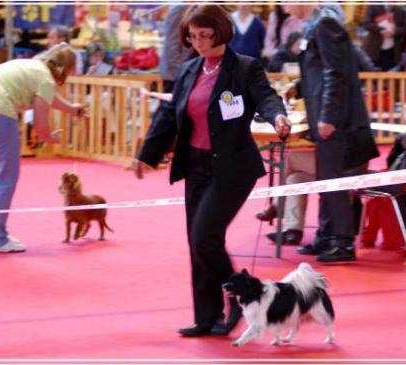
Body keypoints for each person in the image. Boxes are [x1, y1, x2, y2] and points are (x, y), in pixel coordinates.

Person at [132, 5, 291, 337]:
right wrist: (147, 155)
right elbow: (169, 114)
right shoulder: (190, 70)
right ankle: (206, 317)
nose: (198, 42)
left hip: (232, 168)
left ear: (220, 32)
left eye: (204, 35)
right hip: (196, 165)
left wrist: (277, 117)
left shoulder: (245, 67)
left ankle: (240, 295)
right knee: (198, 242)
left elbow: (267, 97)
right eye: (192, 36)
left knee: (204, 238)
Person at [283, 4, 379, 263]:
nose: (283, 7)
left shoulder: (325, 22)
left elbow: (336, 74)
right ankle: (326, 235)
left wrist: (328, 116)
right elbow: (320, 70)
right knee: (326, 179)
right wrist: (299, 86)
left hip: (335, 120)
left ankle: (343, 242)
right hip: (326, 116)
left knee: (334, 181)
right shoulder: (317, 22)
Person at [0, 43, 88, 253]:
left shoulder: (33, 67)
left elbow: (46, 98)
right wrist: (48, 137)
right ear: (66, 69)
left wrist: (71, 109)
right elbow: (40, 121)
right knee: (5, 178)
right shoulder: (45, 78)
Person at [159, 5, 196, 92]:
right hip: (176, 75)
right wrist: (180, 75)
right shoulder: (180, 8)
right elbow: (173, 46)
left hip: (182, 72)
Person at [362, 4, 406, 71]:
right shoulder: (373, 6)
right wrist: (381, 30)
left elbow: (404, 29)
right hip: (374, 50)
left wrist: (394, 32)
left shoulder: (400, 10)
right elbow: (366, 23)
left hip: (392, 51)